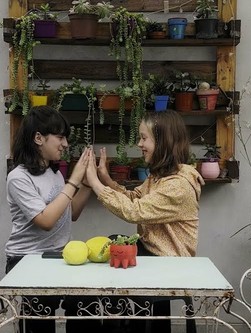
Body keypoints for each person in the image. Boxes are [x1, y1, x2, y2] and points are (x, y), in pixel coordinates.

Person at [85, 110, 204, 333]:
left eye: (144, 137)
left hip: (169, 265)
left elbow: (134, 211)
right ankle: (120, 324)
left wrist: (94, 183)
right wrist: (107, 180)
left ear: (163, 141)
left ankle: (122, 326)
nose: (139, 143)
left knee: (114, 259)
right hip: (152, 254)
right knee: (112, 246)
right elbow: (136, 198)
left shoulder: (178, 185)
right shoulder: (160, 176)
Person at [4, 106, 94, 333]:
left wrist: (88, 183)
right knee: (39, 325)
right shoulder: (18, 178)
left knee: (87, 308)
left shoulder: (53, 173)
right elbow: (45, 221)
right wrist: (73, 181)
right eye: (60, 137)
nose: (65, 144)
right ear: (38, 138)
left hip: (59, 257)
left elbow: (70, 213)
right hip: (27, 260)